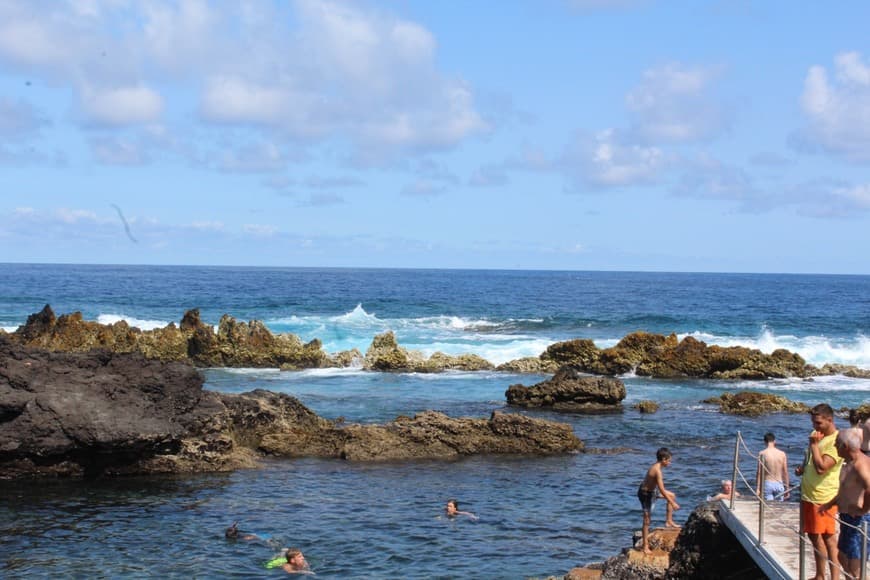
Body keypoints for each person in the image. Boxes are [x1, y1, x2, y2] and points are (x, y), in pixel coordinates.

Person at [796, 403, 844, 580]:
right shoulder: (818, 437)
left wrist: (815, 446)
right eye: (813, 423)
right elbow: (811, 461)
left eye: (818, 423)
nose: (815, 427)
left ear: (829, 420)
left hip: (823, 498)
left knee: (828, 539)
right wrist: (802, 468)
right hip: (809, 494)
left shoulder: (836, 441)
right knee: (814, 536)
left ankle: (833, 577)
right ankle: (820, 574)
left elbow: (822, 468)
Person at [819, 429, 870, 580]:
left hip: (858, 520)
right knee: (842, 555)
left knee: (855, 567)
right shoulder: (850, 463)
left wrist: (864, 509)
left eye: (836, 444)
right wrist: (829, 504)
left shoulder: (860, 465)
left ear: (845, 446)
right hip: (847, 518)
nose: (834, 447)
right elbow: (846, 490)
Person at [637, 447, 680, 555]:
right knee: (647, 521)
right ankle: (645, 546)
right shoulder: (657, 470)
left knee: (672, 495)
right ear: (663, 459)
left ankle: (668, 521)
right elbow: (662, 489)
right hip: (645, 494)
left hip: (652, 492)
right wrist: (672, 503)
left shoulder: (659, 468)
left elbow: (660, 490)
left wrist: (671, 500)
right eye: (669, 460)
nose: (670, 463)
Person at [756, 432, 790, 501]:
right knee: (779, 507)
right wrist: (787, 488)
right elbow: (785, 472)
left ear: (765, 442)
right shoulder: (782, 454)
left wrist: (758, 488)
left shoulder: (762, 453)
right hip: (779, 483)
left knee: (768, 507)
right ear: (774, 441)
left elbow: (759, 472)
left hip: (767, 483)